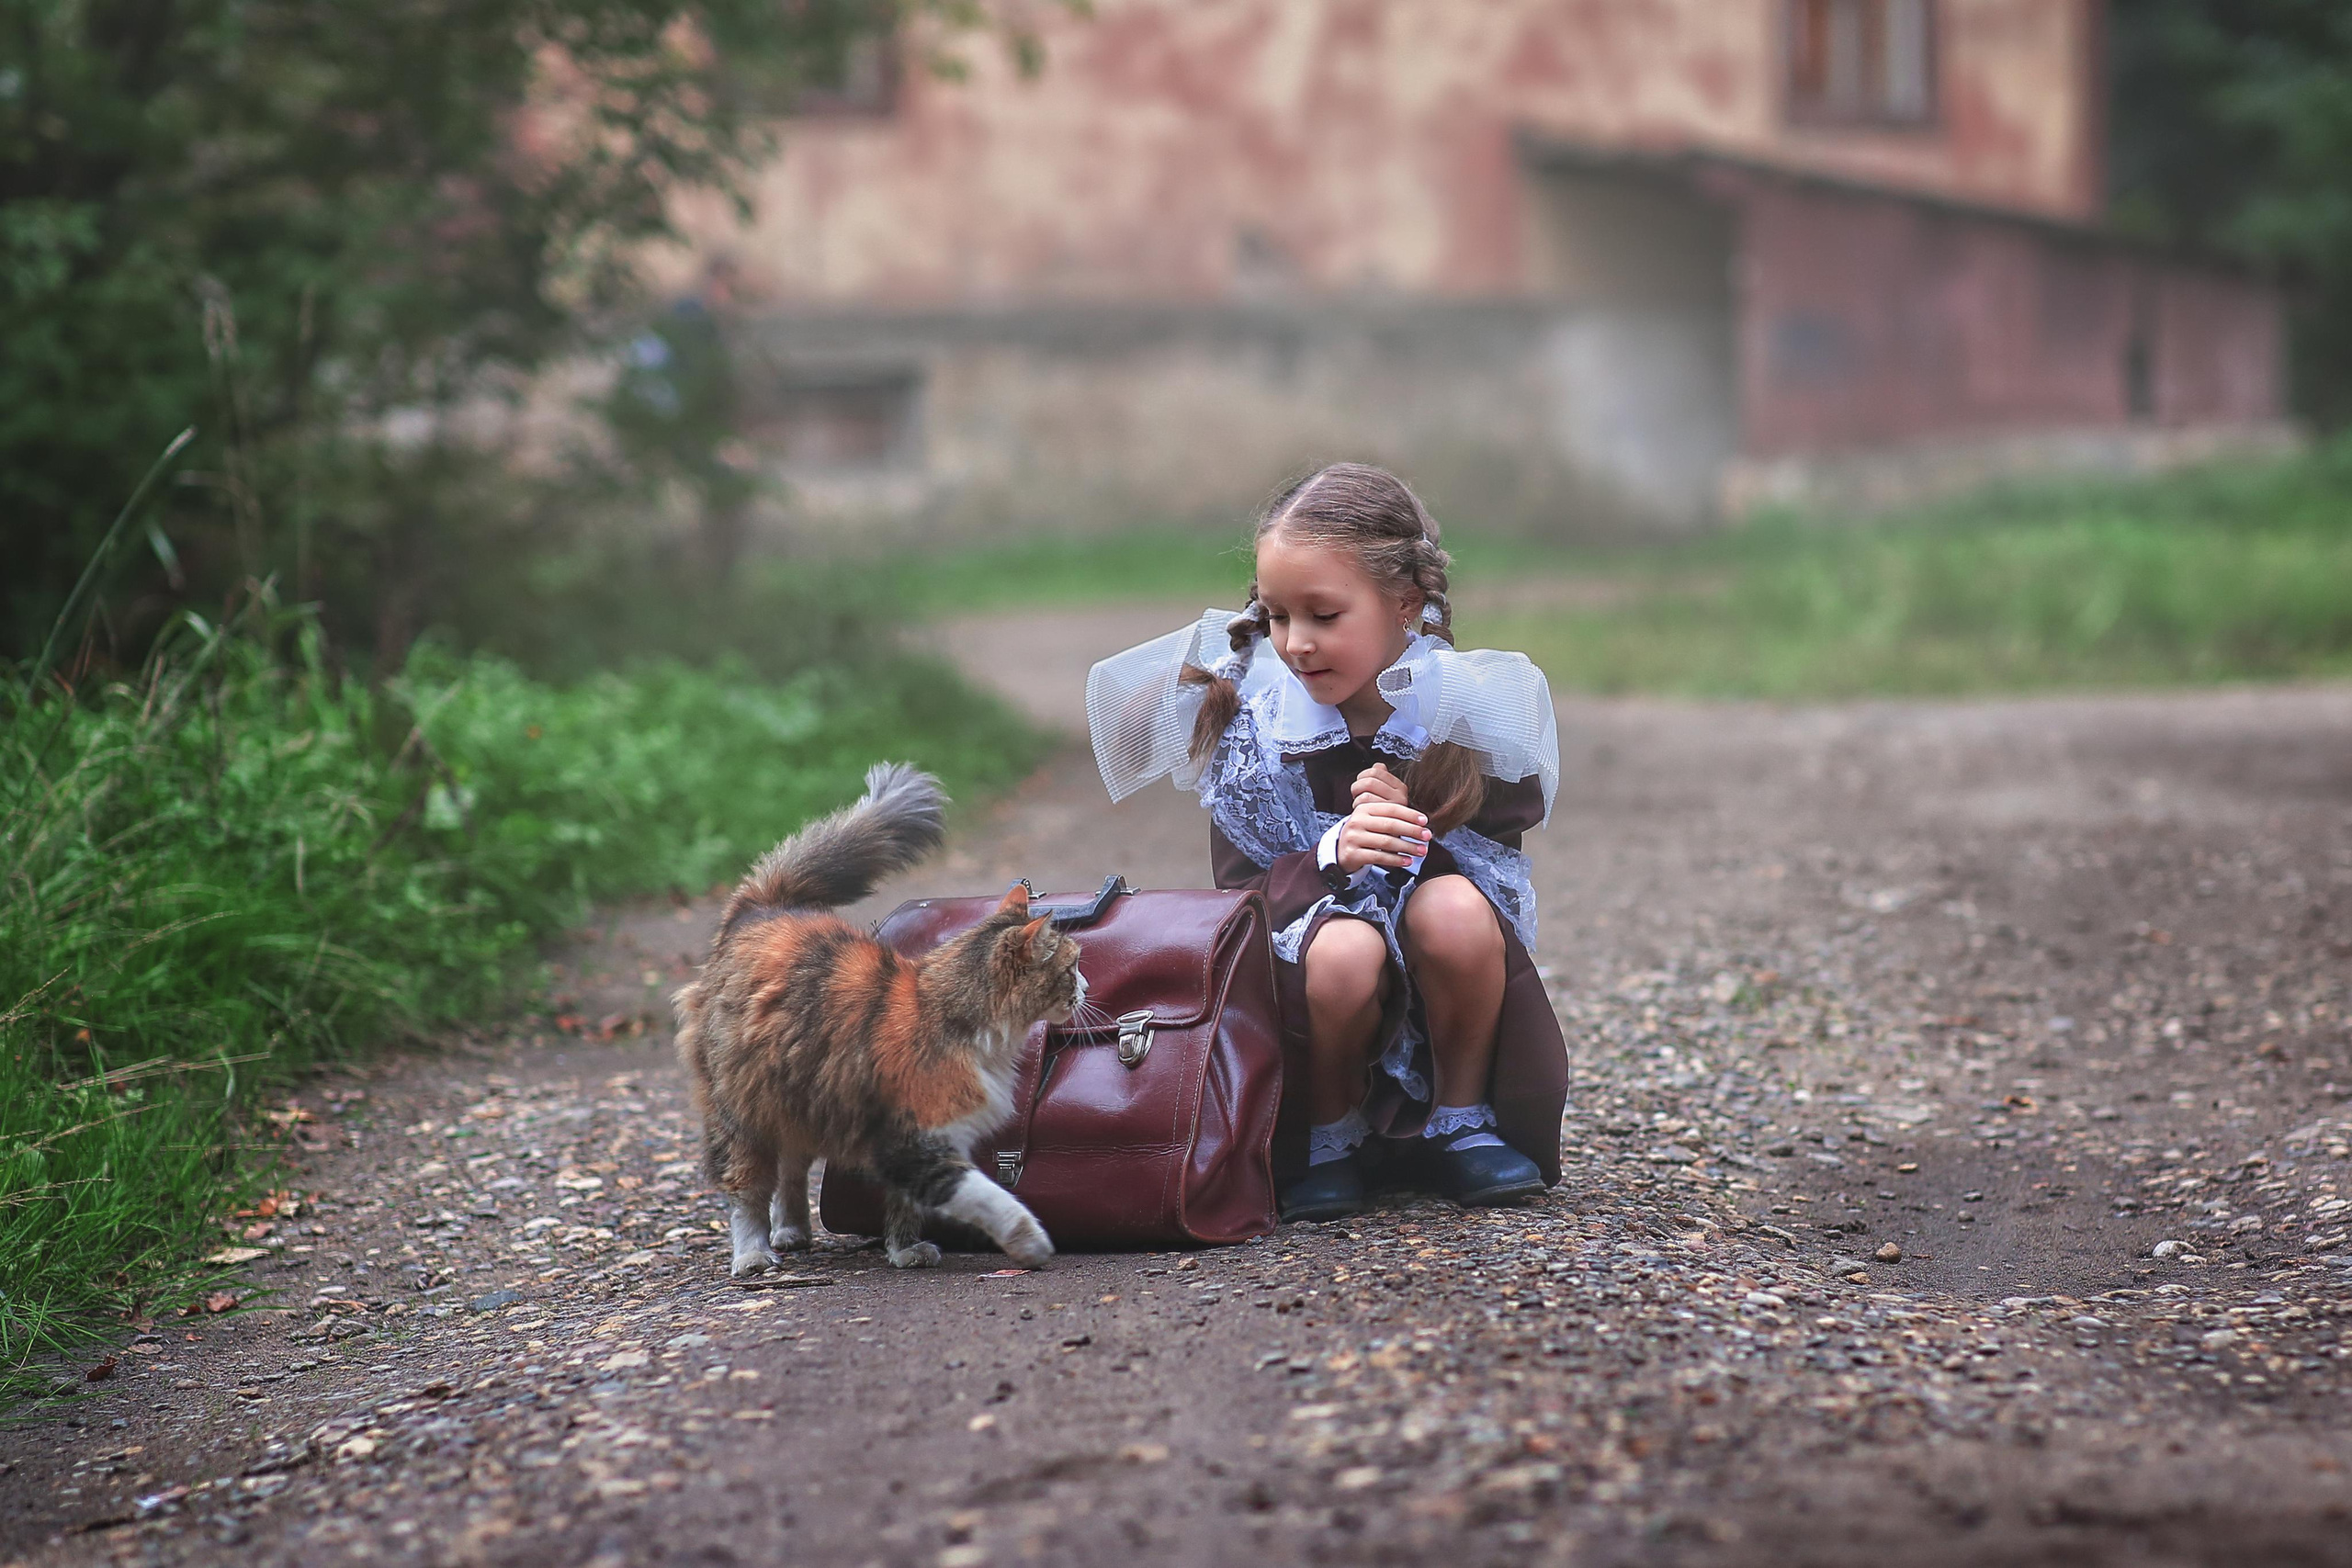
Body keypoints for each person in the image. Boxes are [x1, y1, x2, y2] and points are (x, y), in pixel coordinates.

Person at [1087, 463, 1569, 1222]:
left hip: (1442, 958)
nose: (1297, 644)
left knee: (1456, 909)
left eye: (1324, 615)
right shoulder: (1258, 727)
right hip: (1306, 974)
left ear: (1404, 602)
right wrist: (1328, 857)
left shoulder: (1457, 703)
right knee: (1345, 950)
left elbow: (1499, 849)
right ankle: (1326, 1134)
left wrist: (1416, 819)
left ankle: (1462, 1118)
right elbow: (1240, 896)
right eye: (1278, 616)